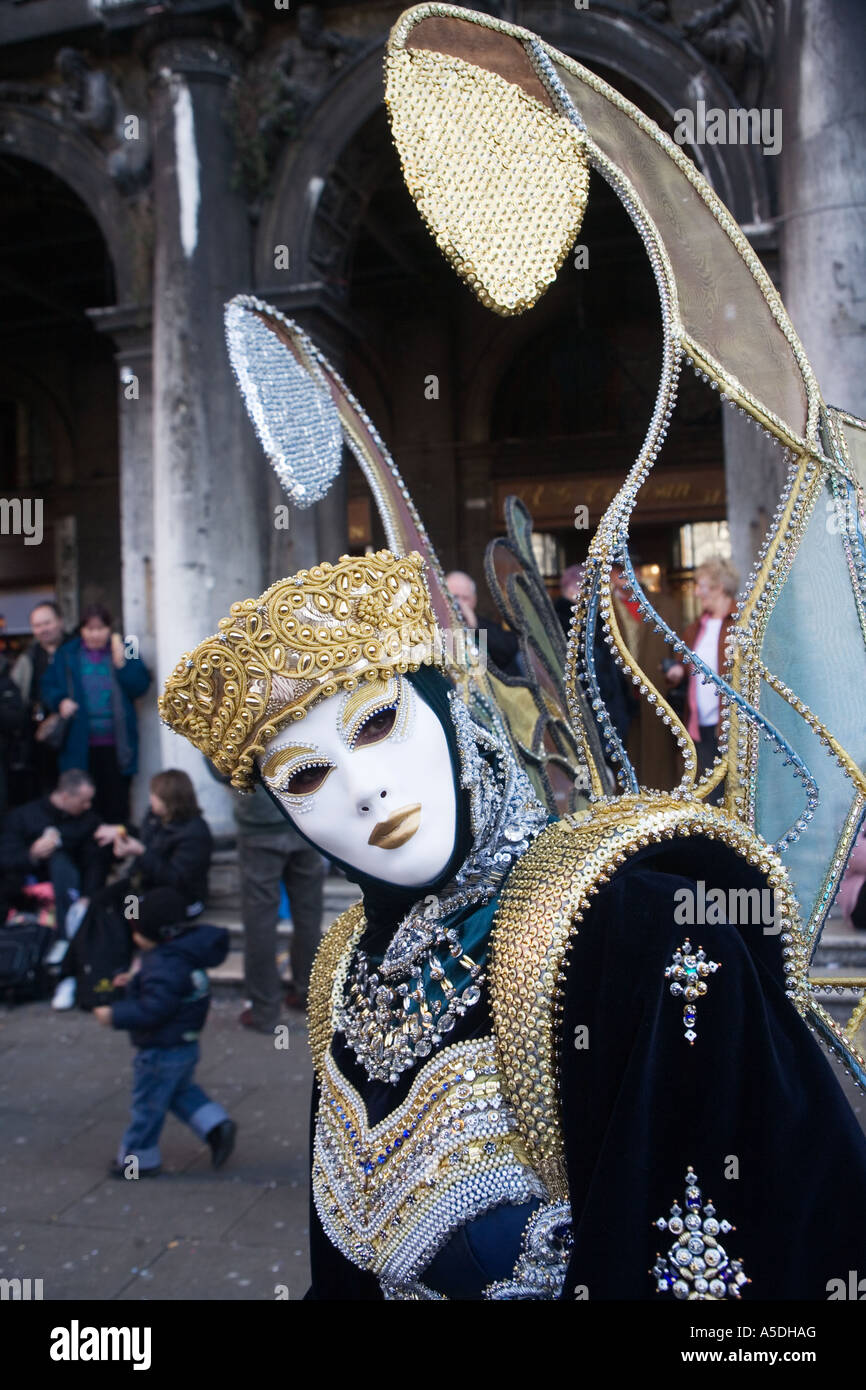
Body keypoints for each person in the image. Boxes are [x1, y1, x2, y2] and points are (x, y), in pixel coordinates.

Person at [159, 551, 866, 1300]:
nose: (365, 790)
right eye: (306, 776)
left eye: (376, 723)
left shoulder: (646, 940)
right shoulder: (345, 971)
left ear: (451, 711)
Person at [93, 886, 236, 1178]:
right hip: (183, 1045)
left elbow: (155, 1009)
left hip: (162, 1049)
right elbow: (168, 989)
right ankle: (215, 1125)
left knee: (148, 1105)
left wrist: (114, 1015)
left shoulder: (163, 964)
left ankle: (138, 1160)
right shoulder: (179, 954)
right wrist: (136, 981)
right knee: (178, 1091)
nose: (134, 937)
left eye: (137, 931)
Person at [51, 769, 212, 1011]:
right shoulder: (154, 818)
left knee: (129, 915)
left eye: (154, 795)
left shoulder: (195, 832)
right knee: (99, 902)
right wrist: (120, 835)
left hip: (179, 898)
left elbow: (177, 879)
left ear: (170, 800)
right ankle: (72, 974)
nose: (150, 800)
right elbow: (141, 840)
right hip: (143, 887)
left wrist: (140, 853)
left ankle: (117, 976)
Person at [41, 604, 151, 824]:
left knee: (117, 798)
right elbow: (48, 686)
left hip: (117, 742)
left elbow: (140, 685)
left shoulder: (127, 646)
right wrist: (60, 701)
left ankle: (117, 849)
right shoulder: (68, 652)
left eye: (100, 628)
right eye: (89, 629)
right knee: (83, 799)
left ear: (110, 628)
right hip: (79, 741)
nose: (95, 634)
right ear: (81, 630)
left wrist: (123, 665)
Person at [233, 781, 325, 1030]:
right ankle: (308, 994)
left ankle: (265, 1009)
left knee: (260, 919)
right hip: (303, 814)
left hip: (260, 822)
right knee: (308, 915)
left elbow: (218, 762)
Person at [0, 768, 109, 928]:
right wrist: (31, 854)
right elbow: (5, 858)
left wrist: (88, 896)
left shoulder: (88, 821)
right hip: (24, 895)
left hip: (70, 894)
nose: (88, 806)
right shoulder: (22, 817)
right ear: (65, 796)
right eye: (83, 801)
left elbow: (96, 863)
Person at [663, 557, 738, 779]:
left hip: (730, 724)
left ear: (719, 588)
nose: (696, 593)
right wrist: (678, 670)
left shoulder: (740, 623)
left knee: (733, 789)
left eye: (701, 586)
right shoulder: (696, 628)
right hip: (700, 723)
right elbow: (687, 663)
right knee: (709, 790)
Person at [10, 600, 67, 802]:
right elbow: (16, 697)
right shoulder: (28, 658)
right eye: (37, 625)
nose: (43, 629)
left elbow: (132, 644)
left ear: (60, 621)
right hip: (37, 737)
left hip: (74, 731)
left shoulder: (76, 649)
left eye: (47, 623)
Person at [445, 569, 520, 677]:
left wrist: (476, 627)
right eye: (454, 597)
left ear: (474, 600)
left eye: (465, 598)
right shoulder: (435, 627)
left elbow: (507, 651)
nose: (459, 604)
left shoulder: (485, 625)